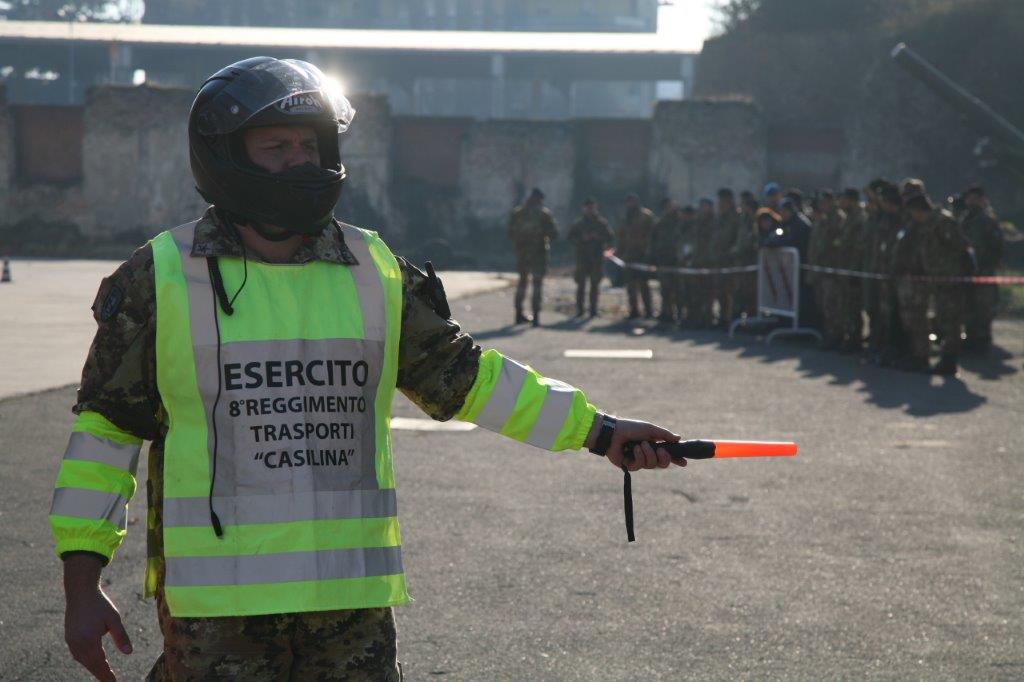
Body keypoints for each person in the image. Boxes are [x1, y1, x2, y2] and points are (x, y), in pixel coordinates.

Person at [50, 57, 682, 682]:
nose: (300, 160)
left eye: (310, 143)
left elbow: (468, 378)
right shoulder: (160, 277)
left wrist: (598, 431)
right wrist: (83, 583)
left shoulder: (373, 269)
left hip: (349, 614)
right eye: (276, 146)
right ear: (225, 156)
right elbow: (105, 437)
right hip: (219, 615)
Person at [898, 193, 973, 375]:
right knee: (936, 318)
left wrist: (959, 275)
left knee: (950, 320)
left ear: (920, 210)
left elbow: (963, 248)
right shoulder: (924, 225)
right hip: (934, 279)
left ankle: (949, 360)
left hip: (949, 280)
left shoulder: (943, 222)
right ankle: (924, 357)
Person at [960, 185, 1005, 351]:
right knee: (968, 306)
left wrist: (987, 263)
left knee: (983, 308)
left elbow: (997, 247)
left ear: (980, 199)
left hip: (984, 272)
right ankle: (971, 338)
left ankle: (982, 339)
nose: (969, 201)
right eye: (968, 198)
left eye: (973, 198)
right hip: (968, 272)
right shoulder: (965, 220)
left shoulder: (987, 221)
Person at [508, 187, 558, 327]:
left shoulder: (518, 213)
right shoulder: (543, 214)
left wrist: (521, 244)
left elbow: (510, 233)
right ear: (540, 199)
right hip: (539, 254)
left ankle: (518, 314)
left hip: (522, 254)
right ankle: (535, 316)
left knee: (522, 283)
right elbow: (553, 234)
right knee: (537, 284)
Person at [807, 190, 846, 348]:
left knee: (832, 304)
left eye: (825, 202)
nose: (822, 206)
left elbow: (837, 244)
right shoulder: (823, 219)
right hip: (821, 269)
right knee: (824, 303)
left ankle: (836, 335)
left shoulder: (838, 219)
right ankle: (829, 334)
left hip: (832, 269)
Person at [567, 197, 615, 318]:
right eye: (588, 208)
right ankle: (580, 309)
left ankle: (593, 310)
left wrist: (598, 238)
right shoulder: (579, 224)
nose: (590, 210)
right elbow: (571, 238)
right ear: (584, 209)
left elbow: (610, 237)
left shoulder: (601, 223)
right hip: (582, 258)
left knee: (595, 284)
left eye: (592, 208)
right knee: (581, 284)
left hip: (596, 258)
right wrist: (583, 239)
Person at [836, 188, 867, 352]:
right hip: (845, 269)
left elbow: (859, 249)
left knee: (854, 306)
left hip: (854, 270)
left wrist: (854, 270)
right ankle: (849, 336)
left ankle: (856, 339)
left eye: (844, 200)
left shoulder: (859, 219)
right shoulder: (848, 219)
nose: (840, 203)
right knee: (846, 305)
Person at [618, 193, 656, 319]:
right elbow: (622, 236)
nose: (631, 204)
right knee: (631, 285)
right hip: (629, 256)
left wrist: (649, 253)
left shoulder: (646, 216)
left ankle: (649, 311)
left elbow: (653, 235)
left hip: (642, 255)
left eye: (633, 201)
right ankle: (634, 310)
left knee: (644, 284)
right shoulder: (625, 217)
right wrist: (620, 252)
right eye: (629, 202)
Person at [711, 188, 744, 327]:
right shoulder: (719, 219)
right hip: (719, 260)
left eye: (722, 202)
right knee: (720, 290)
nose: (720, 205)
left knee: (732, 291)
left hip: (731, 261)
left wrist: (732, 252)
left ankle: (732, 319)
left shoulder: (736, 218)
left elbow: (738, 240)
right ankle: (723, 317)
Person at [648, 198, 685, 322]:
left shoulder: (681, 221)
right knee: (665, 289)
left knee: (678, 289)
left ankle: (680, 313)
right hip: (663, 260)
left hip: (677, 261)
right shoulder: (661, 223)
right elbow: (654, 240)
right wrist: (653, 258)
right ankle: (667, 312)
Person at [687, 198, 717, 327]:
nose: (702, 209)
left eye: (704, 206)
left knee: (708, 292)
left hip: (709, 262)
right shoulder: (697, 222)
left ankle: (708, 318)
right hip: (697, 261)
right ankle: (697, 317)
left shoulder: (715, 222)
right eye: (701, 206)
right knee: (695, 291)